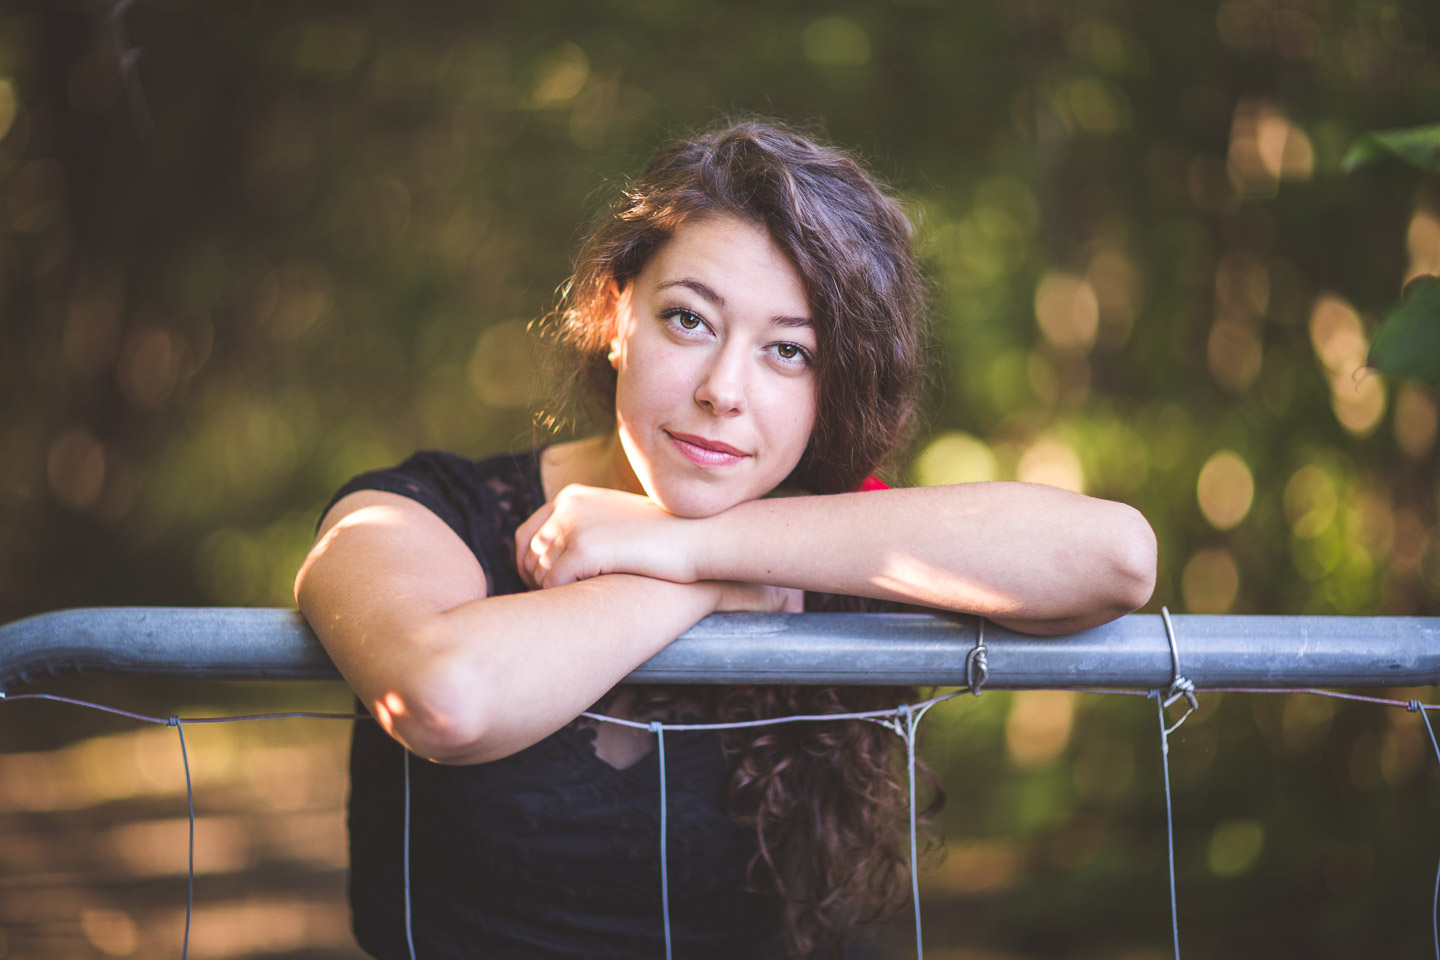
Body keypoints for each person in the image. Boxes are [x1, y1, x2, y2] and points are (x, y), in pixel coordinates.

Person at [295, 118, 1157, 960]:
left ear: (834, 385)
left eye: (789, 351)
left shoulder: (830, 530)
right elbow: (445, 698)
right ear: (615, 313)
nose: (724, 391)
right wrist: (705, 584)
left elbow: (1116, 559)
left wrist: (694, 546)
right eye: (690, 320)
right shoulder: (425, 509)